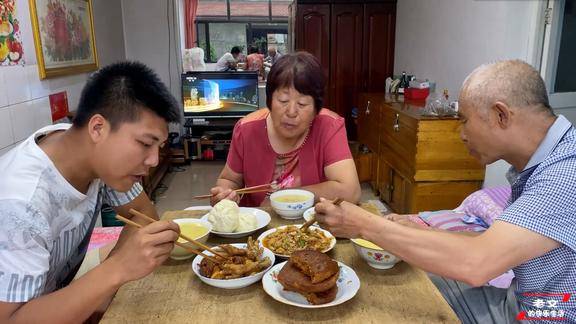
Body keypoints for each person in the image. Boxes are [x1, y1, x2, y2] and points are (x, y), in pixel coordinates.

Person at [314, 60, 576, 323]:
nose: (461, 134)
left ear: (501, 115)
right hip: (520, 301)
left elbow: (477, 264)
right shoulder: (545, 159)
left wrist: (363, 223)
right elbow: (491, 245)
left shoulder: (564, 176)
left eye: (464, 120)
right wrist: (421, 231)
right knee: (405, 283)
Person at [0, 62, 182, 323]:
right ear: (98, 128)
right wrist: (116, 270)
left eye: (159, 146)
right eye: (144, 143)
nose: (154, 160)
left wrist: (111, 276)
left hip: (52, 294)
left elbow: (143, 213)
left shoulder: (87, 150)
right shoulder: (20, 205)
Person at [210, 51, 361, 207]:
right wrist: (225, 193)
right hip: (260, 225)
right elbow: (230, 179)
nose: (291, 112)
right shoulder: (246, 129)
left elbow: (350, 191)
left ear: (317, 109)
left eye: (302, 104)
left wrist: (289, 197)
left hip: (313, 225)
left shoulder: (329, 126)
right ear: (269, 100)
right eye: (283, 100)